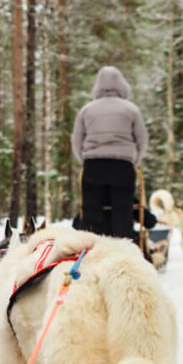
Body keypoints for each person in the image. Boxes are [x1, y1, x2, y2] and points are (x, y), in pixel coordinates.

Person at [71, 66, 148, 239]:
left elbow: (76, 142)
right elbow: (142, 141)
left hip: (93, 165)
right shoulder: (131, 109)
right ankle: (124, 255)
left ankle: (90, 255)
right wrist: (132, 162)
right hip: (122, 166)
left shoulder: (87, 110)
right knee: (122, 213)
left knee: (91, 214)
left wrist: (85, 162)